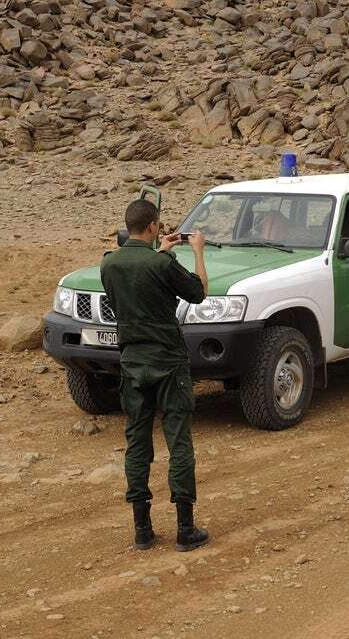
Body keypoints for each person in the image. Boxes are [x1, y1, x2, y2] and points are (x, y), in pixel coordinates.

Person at [100, 199, 211, 553]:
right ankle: (185, 529)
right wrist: (197, 252)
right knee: (178, 442)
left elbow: (135, 285)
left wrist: (160, 252)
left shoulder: (109, 264)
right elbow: (199, 292)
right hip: (168, 362)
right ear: (152, 227)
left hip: (132, 362)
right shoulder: (162, 264)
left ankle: (142, 529)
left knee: (138, 444)